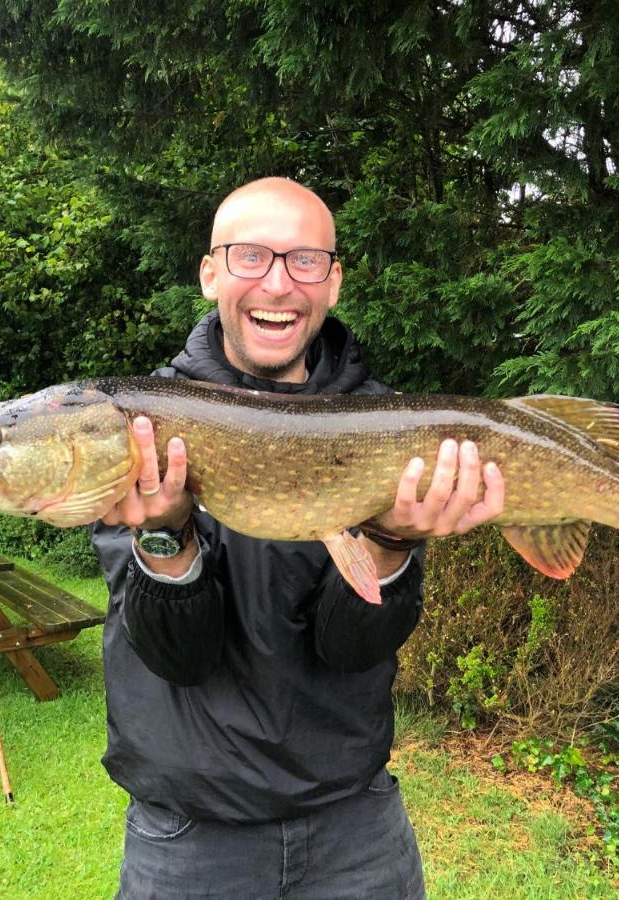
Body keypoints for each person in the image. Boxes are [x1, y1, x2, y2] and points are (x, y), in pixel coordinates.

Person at [92, 177, 505, 899]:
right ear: (210, 272)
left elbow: (349, 649)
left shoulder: (391, 426)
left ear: (334, 280)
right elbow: (177, 658)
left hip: (355, 829)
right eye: (251, 256)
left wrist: (389, 544)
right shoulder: (139, 431)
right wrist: (165, 538)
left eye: (304, 260)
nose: (277, 284)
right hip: (191, 841)